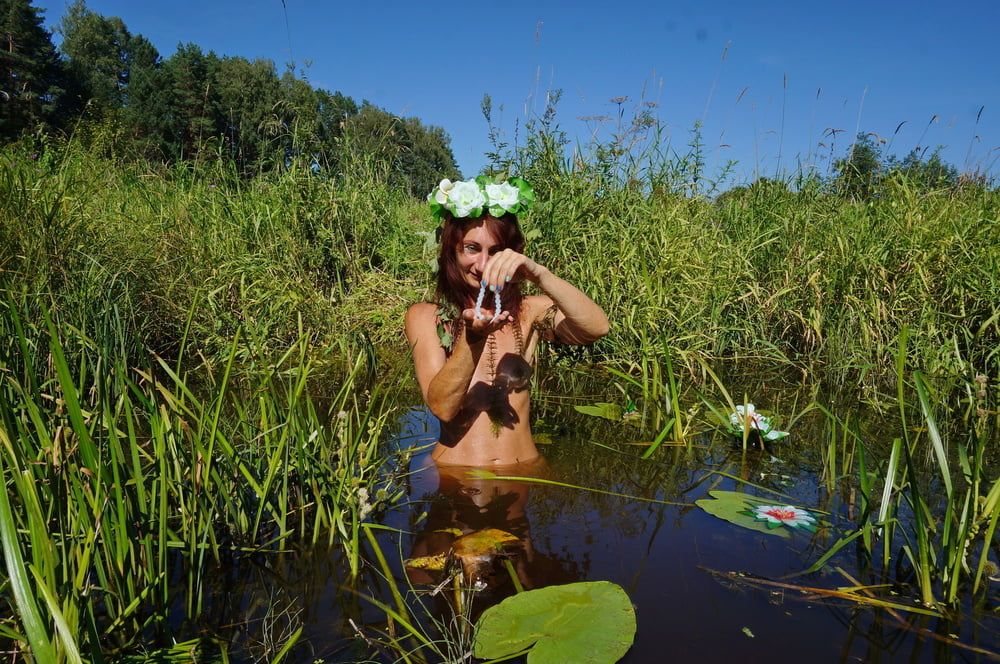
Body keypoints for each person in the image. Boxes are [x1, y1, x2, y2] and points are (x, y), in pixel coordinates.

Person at [405, 176, 608, 467]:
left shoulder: (529, 312)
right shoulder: (426, 316)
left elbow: (597, 328)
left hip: (524, 472)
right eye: (472, 248)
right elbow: (442, 407)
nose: (484, 265)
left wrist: (539, 275)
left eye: (497, 251)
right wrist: (473, 340)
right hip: (454, 477)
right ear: (452, 250)